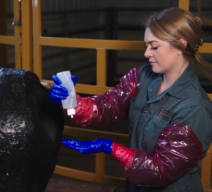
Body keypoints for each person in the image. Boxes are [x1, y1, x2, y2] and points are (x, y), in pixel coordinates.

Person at [49, 7, 212, 192]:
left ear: (181, 45)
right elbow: (108, 106)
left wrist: (111, 148)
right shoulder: (141, 77)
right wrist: (73, 102)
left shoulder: (194, 108)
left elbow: (160, 170)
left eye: (154, 46)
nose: (147, 53)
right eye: (146, 46)